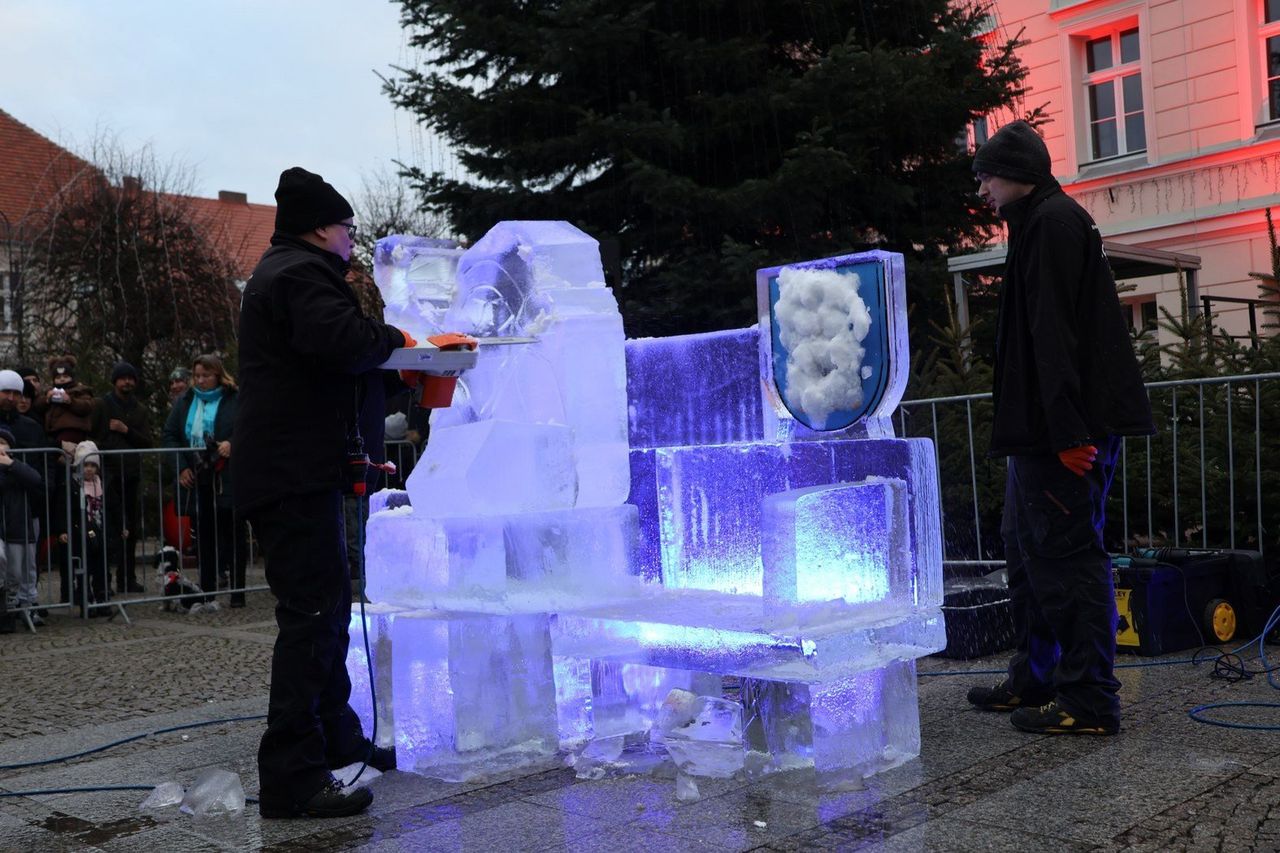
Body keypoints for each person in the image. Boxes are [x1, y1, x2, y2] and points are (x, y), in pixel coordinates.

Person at [964, 121, 1155, 735]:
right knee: (1028, 553)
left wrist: (1072, 433)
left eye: (988, 175)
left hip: (1063, 434)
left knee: (1067, 559)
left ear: (1015, 174)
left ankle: (1089, 699)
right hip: (1046, 431)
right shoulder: (1043, 222)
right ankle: (1038, 676)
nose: (984, 188)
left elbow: (1056, 336)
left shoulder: (1050, 225)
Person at [234, 166, 408, 819]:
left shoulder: (288, 274)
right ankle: (292, 774)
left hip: (296, 469)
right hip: (290, 473)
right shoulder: (299, 275)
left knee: (328, 609)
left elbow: (322, 369)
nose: (352, 238)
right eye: (347, 227)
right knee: (311, 617)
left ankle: (336, 737)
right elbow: (342, 342)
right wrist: (399, 344)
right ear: (320, 227)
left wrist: (386, 380)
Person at [162, 354, 247, 611]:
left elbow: (249, 426)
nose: (201, 380)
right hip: (199, 476)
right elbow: (171, 435)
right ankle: (208, 590)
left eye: (206, 376)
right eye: (197, 376)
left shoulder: (234, 397)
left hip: (229, 475)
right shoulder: (186, 401)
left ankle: (238, 590)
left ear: (218, 376)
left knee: (233, 532)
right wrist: (181, 467)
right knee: (205, 535)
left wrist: (233, 443)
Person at [91, 361, 154, 594]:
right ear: (115, 381)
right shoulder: (102, 405)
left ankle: (127, 577)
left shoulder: (139, 410)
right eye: (122, 378)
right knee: (107, 527)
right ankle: (103, 580)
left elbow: (146, 442)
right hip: (107, 474)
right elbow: (92, 436)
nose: (127, 382)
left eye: (131, 378)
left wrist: (126, 430)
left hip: (130, 474)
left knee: (131, 527)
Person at [56, 440, 109, 616]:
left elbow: (114, 506)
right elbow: (63, 508)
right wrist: (63, 529)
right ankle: (86, 599)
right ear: (79, 465)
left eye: (93, 465)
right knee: (83, 567)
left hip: (100, 530)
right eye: (86, 465)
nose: (89, 469)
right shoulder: (72, 484)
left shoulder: (102, 483)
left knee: (101, 566)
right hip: (79, 531)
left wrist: (120, 526)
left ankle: (102, 597)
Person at [0, 426, 45, 631]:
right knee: (6, 570)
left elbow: (35, 479)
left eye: (3, 443)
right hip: (3, 530)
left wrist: (10, 464)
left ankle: (23, 607)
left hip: (18, 527)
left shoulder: (18, 466)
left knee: (21, 571)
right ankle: (7, 609)